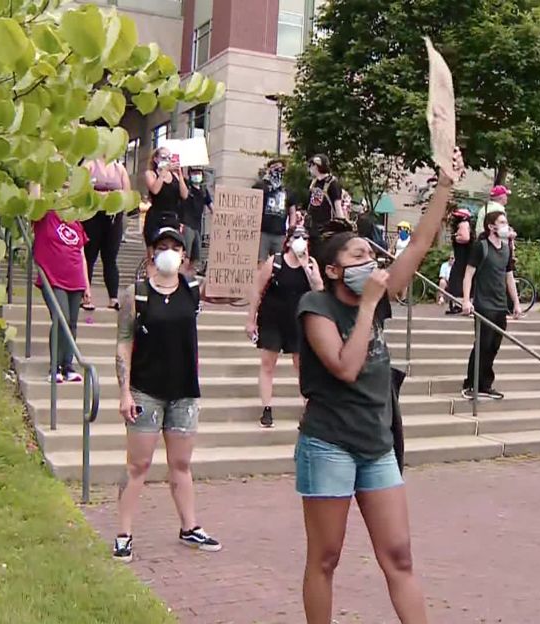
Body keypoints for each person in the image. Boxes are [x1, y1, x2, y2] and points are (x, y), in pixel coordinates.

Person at [295, 148, 464, 624]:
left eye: (372, 254)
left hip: (377, 443)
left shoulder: (380, 292)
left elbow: (421, 244)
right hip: (329, 444)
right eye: (358, 256)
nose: (370, 261)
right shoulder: (316, 307)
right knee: (325, 559)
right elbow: (345, 368)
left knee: (400, 558)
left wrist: (445, 185)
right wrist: (368, 306)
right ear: (333, 270)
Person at [113, 216, 220, 563]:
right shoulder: (137, 294)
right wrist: (124, 391)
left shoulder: (191, 290)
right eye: (163, 248)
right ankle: (124, 533)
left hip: (183, 392)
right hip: (146, 390)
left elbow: (233, 289)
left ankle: (190, 526)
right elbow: (124, 342)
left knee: (181, 463)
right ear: (151, 254)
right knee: (138, 465)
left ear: (184, 257)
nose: (169, 254)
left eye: (175, 248)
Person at [246, 226, 323, 428]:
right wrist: (251, 319)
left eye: (304, 237)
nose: (301, 240)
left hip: (298, 320)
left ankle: (308, 407)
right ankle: (267, 408)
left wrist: (308, 268)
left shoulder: (311, 264)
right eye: (296, 237)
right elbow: (257, 288)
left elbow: (319, 290)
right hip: (272, 318)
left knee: (302, 365)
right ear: (288, 241)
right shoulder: (276, 262)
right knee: (268, 363)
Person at [460, 211, 522, 400]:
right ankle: (472, 383)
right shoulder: (481, 247)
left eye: (506, 221)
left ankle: (485, 383)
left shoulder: (506, 249)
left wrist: (516, 303)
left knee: (494, 345)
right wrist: (465, 300)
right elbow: (468, 274)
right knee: (483, 344)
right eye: (502, 222)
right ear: (491, 226)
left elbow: (509, 277)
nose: (506, 225)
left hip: (500, 305)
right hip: (484, 304)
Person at [33, 208, 92, 383]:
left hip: (76, 280)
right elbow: (35, 199)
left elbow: (82, 255)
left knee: (72, 323)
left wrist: (87, 286)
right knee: (61, 318)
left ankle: (68, 365)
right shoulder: (46, 216)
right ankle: (55, 367)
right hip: (52, 279)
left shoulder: (76, 224)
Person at [81, 158, 131, 311]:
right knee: (89, 256)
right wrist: (102, 196)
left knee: (110, 258)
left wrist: (115, 197)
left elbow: (127, 193)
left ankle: (113, 297)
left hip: (113, 217)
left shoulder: (119, 168)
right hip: (92, 215)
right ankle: (86, 296)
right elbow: (82, 189)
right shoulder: (89, 164)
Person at [143, 147, 189, 246]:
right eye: (163, 157)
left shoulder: (175, 175)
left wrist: (180, 174)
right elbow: (155, 190)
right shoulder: (151, 174)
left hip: (172, 217)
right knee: (154, 250)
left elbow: (184, 195)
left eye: (169, 158)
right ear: (156, 159)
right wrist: (163, 173)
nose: (167, 161)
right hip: (156, 216)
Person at [306, 154, 344, 263]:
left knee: (322, 257)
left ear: (316, 166)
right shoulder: (314, 183)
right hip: (312, 227)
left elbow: (338, 206)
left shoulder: (332, 183)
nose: (310, 168)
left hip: (326, 229)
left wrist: (340, 226)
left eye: (311, 165)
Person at [255, 159, 291, 262]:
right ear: (269, 169)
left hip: (280, 233)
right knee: (260, 261)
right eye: (275, 167)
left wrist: (291, 231)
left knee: (279, 262)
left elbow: (292, 210)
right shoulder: (260, 186)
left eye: (280, 168)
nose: (278, 170)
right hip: (263, 231)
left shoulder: (287, 189)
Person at [181, 167, 212, 273]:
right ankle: (181, 279)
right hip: (187, 224)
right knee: (186, 257)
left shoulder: (204, 191)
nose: (197, 175)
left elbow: (211, 206)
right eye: (194, 172)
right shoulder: (187, 188)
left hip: (198, 227)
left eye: (199, 173)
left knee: (196, 258)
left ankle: (189, 279)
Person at [445, 209, 472, 315]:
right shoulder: (463, 224)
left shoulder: (463, 224)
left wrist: (455, 237)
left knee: (457, 279)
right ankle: (458, 303)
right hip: (461, 256)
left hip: (463, 257)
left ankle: (460, 304)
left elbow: (466, 238)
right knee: (456, 280)